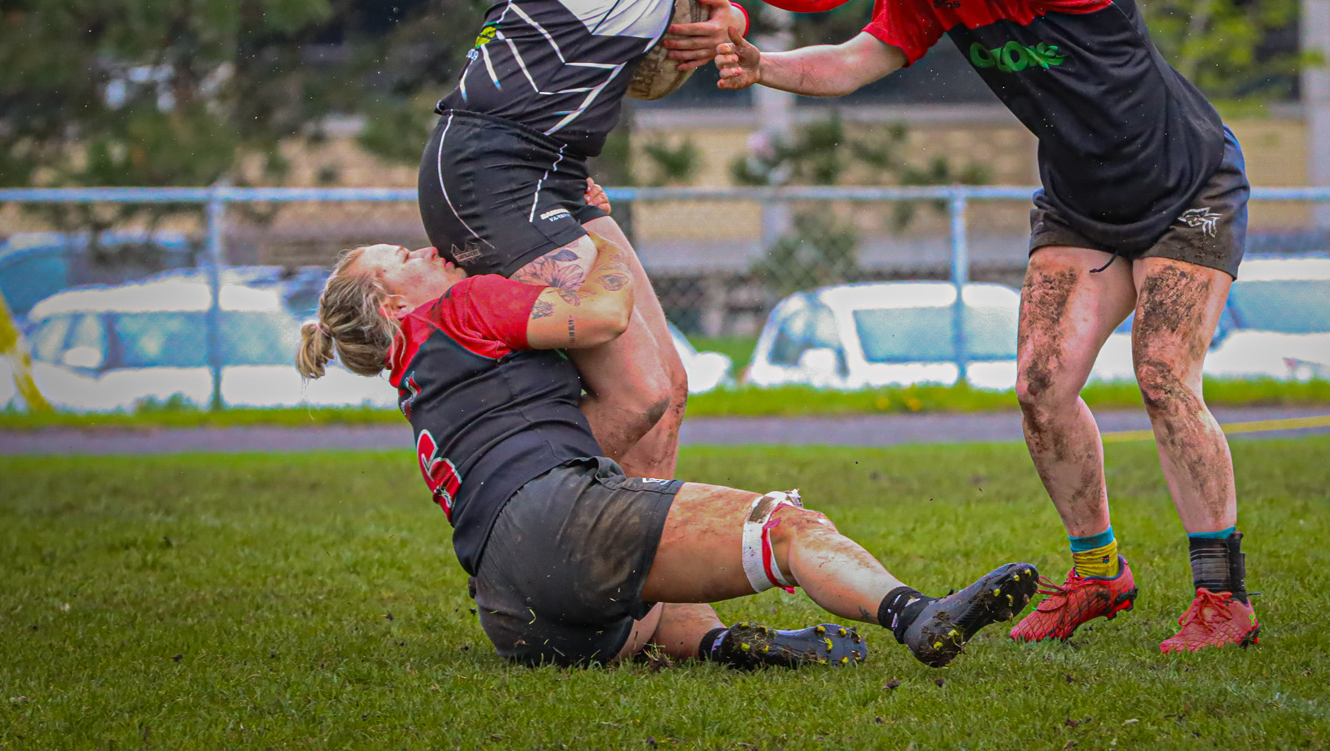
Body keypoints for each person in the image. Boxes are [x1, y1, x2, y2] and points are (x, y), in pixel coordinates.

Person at [714, 0, 1259, 653]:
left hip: (1187, 185)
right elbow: (857, 62)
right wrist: (763, 66)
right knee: (1041, 386)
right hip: (1081, 202)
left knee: (1161, 373)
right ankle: (1097, 574)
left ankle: (1222, 598)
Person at [419, 0, 885, 489]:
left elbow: (662, 20)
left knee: (665, 390)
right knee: (636, 393)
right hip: (496, 172)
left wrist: (726, 16)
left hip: (541, 171)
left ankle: (648, 606)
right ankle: (508, 536)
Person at [293, 222, 1039, 669]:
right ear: (395, 303)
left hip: (513, 611)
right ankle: (916, 615)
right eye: (402, 254)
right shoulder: (459, 304)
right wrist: (601, 241)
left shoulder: (414, 383)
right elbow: (604, 317)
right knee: (788, 528)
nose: (427, 247)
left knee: (641, 573)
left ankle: (720, 647)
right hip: (555, 525)